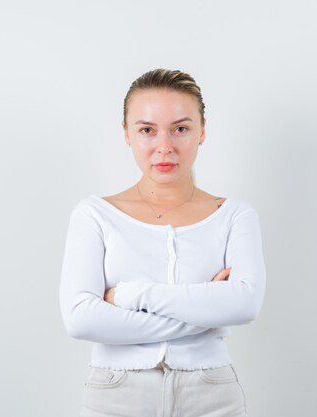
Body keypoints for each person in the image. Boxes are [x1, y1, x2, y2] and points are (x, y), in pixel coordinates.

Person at [59, 68, 267, 417]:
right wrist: (206, 312)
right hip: (115, 395)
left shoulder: (234, 215)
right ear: (127, 133)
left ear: (202, 132)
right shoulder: (94, 214)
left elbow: (245, 304)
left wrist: (127, 296)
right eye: (147, 130)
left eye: (181, 129)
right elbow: (81, 320)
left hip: (212, 394)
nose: (165, 147)